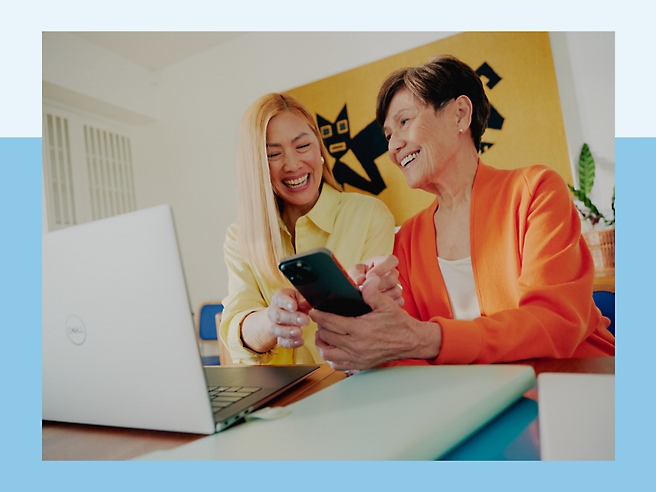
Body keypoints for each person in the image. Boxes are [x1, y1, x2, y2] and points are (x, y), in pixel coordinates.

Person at [311, 55, 616, 371]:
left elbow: (554, 324)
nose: (393, 147)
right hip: (481, 396)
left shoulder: (535, 190)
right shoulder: (408, 239)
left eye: (404, 122)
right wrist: (366, 329)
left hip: (574, 379)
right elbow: (411, 352)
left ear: (460, 114)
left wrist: (429, 338)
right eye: (388, 135)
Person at [219, 92, 399, 365]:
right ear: (256, 167)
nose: (292, 165)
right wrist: (271, 321)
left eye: (302, 146)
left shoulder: (369, 215)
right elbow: (237, 329)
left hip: (350, 386)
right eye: (273, 154)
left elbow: (377, 325)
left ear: (319, 148)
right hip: (277, 400)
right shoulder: (240, 236)